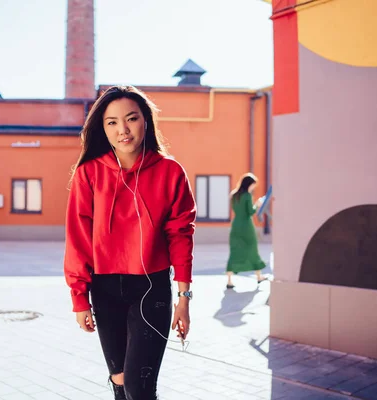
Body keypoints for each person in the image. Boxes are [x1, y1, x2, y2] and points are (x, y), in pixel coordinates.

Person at [63, 85, 197, 400]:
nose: (123, 129)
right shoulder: (89, 173)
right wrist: (79, 297)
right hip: (105, 288)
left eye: (131, 119)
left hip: (151, 289)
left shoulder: (170, 172)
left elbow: (181, 235)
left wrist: (184, 298)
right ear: (103, 128)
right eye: (112, 122)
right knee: (120, 382)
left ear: (145, 121)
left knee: (139, 388)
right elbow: (78, 237)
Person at [225, 173, 267, 289]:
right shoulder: (247, 196)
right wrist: (257, 205)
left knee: (235, 250)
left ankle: (229, 280)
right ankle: (259, 276)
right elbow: (250, 212)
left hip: (236, 225)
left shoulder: (234, 195)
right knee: (252, 248)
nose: (254, 187)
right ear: (249, 184)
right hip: (246, 226)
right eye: (253, 185)